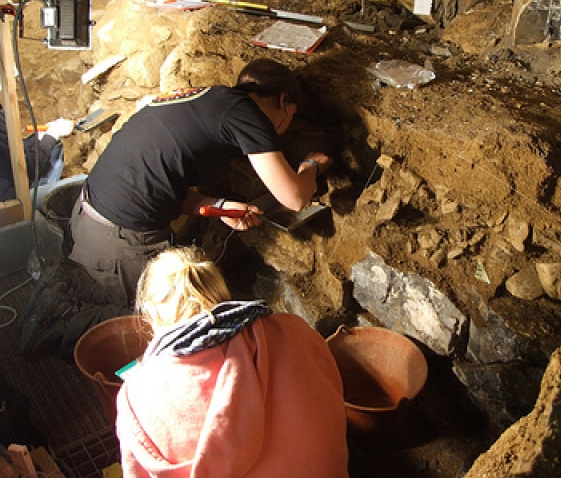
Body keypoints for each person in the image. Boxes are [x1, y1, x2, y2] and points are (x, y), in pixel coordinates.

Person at [20, 59, 331, 359]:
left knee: (115, 293)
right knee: (154, 324)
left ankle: (67, 294)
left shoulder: (206, 99)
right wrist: (311, 166)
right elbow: (294, 198)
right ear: (283, 100)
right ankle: (59, 327)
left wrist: (218, 207)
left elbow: (163, 182)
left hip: (90, 217)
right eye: (291, 113)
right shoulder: (248, 115)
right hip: (121, 241)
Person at [116, 246, 349, 478]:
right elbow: (333, 396)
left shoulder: (136, 396)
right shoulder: (293, 329)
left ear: (150, 317)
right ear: (220, 293)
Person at [0, 103, 75, 206]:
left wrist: (39, 137)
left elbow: (7, 150)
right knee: (82, 181)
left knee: (52, 144)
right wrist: (52, 134)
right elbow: (27, 167)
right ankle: (47, 208)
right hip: (10, 204)